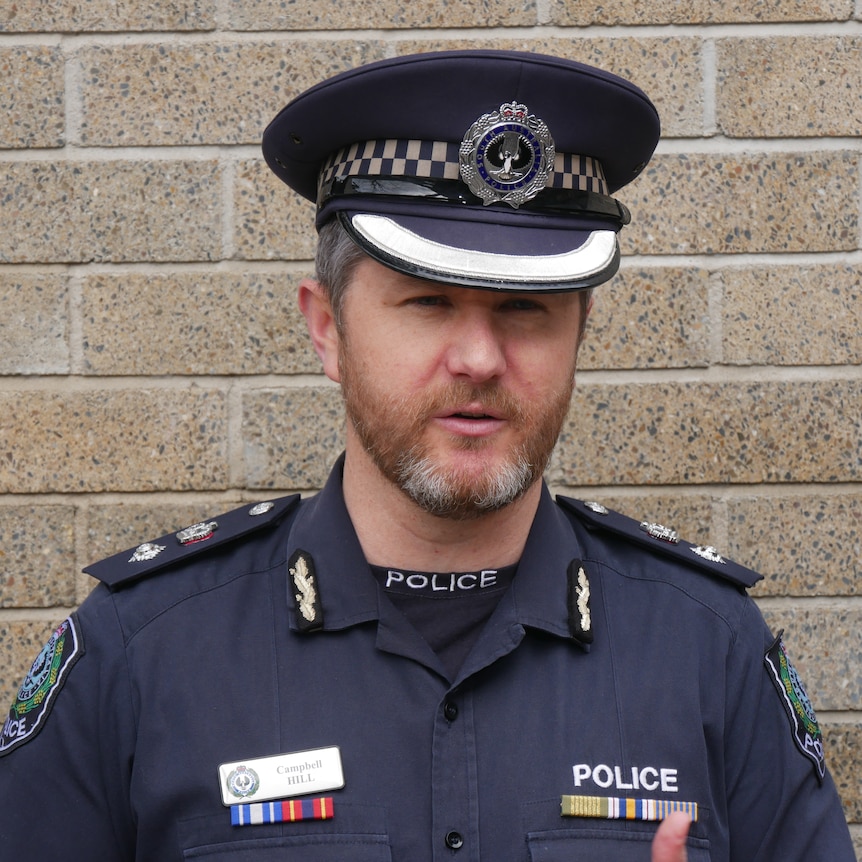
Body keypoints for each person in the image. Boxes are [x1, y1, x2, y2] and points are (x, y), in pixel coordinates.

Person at [0, 50, 854, 862]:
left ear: (581, 333)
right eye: (427, 302)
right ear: (327, 328)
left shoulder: (710, 651)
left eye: (526, 309)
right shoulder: (142, 652)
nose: (479, 359)